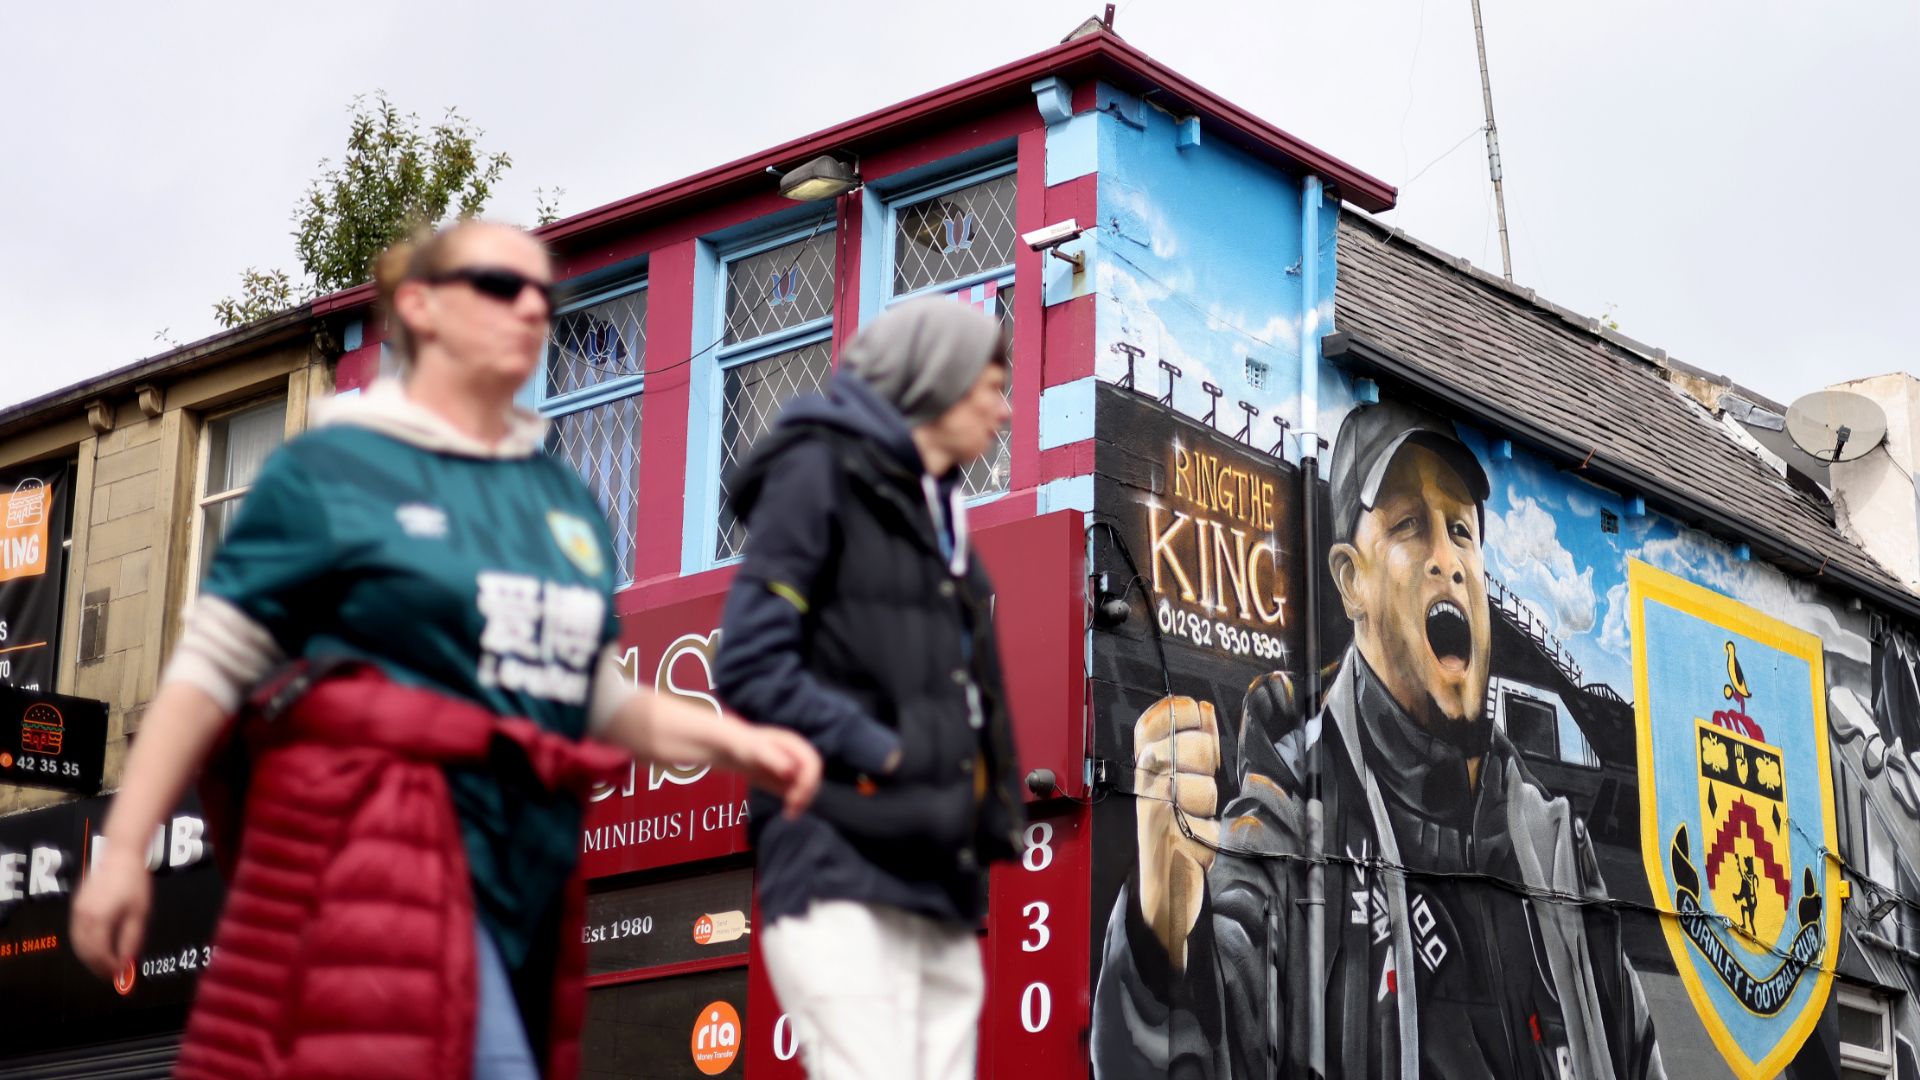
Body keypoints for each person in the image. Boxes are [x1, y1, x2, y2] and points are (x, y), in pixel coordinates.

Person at [69, 221, 821, 1080]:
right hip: (366, 879)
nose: (534, 305)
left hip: (522, 893)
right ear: (419, 307)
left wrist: (740, 742)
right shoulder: (333, 471)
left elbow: (590, 691)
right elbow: (211, 666)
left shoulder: (560, 502)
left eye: (547, 290)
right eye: (502, 286)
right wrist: (125, 848)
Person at [1091, 400, 1663, 1079]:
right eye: (1409, 527)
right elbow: (1199, 1038)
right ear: (1350, 580)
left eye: (1461, 531)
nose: (1446, 561)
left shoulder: (1556, 848)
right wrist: (1161, 942)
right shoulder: (1288, 806)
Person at [712, 298, 1026, 1080]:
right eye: (992, 385)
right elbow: (750, 662)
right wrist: (883, 753)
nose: (1007, 409)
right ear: (936, 381)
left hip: (936, 878)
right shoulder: (819, 473)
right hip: (836, 861)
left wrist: (991, 816)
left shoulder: (940, 513)